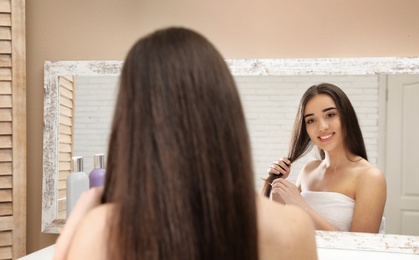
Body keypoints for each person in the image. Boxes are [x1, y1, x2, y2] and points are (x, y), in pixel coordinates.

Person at [53, 27, 317, 260]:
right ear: (226, 113)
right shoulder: (294, 228)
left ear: (132, 121)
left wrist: (85, 207)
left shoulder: (103, 230)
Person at [262, 83, 386, 233]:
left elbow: (361, 249)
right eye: (311, 120)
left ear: (346, 117)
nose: (322, 127)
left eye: (330, 115)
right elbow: (284, 227)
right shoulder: (309, 170)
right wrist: (277, 187)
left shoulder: (370, 177)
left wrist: (302, 205)